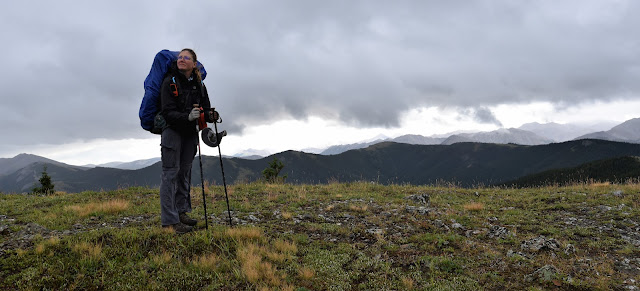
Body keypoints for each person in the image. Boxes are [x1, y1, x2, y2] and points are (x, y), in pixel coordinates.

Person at [159, 48, 218, 234]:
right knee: (170, 173)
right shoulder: (169, 82)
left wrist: (211, 115)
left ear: (194, 64)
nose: (181, 60)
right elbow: (167, 112)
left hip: (190, 134)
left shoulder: (199, 85)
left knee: (184, 173)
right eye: (180, 57)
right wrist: (187, 117)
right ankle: (170, 221)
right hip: (172, 131)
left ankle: (181, 212)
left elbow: (205, 108)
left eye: (186, 58)